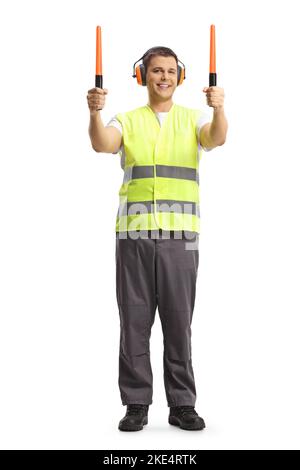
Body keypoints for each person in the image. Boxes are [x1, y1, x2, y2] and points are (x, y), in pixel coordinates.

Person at [87, 46, 228, 432]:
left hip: (182, 235)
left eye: (169, 71)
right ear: (142, 77)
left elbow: (216, 138)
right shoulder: (127, 120)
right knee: (133, 320)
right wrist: (94, 111)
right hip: (133, 234)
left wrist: (219, 108)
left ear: (179, 77)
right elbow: (102, 143)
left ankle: (182, 404)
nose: (163, 77)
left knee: (179, 321)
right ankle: (136, 403)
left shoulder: (194, 118)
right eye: (155, 71)